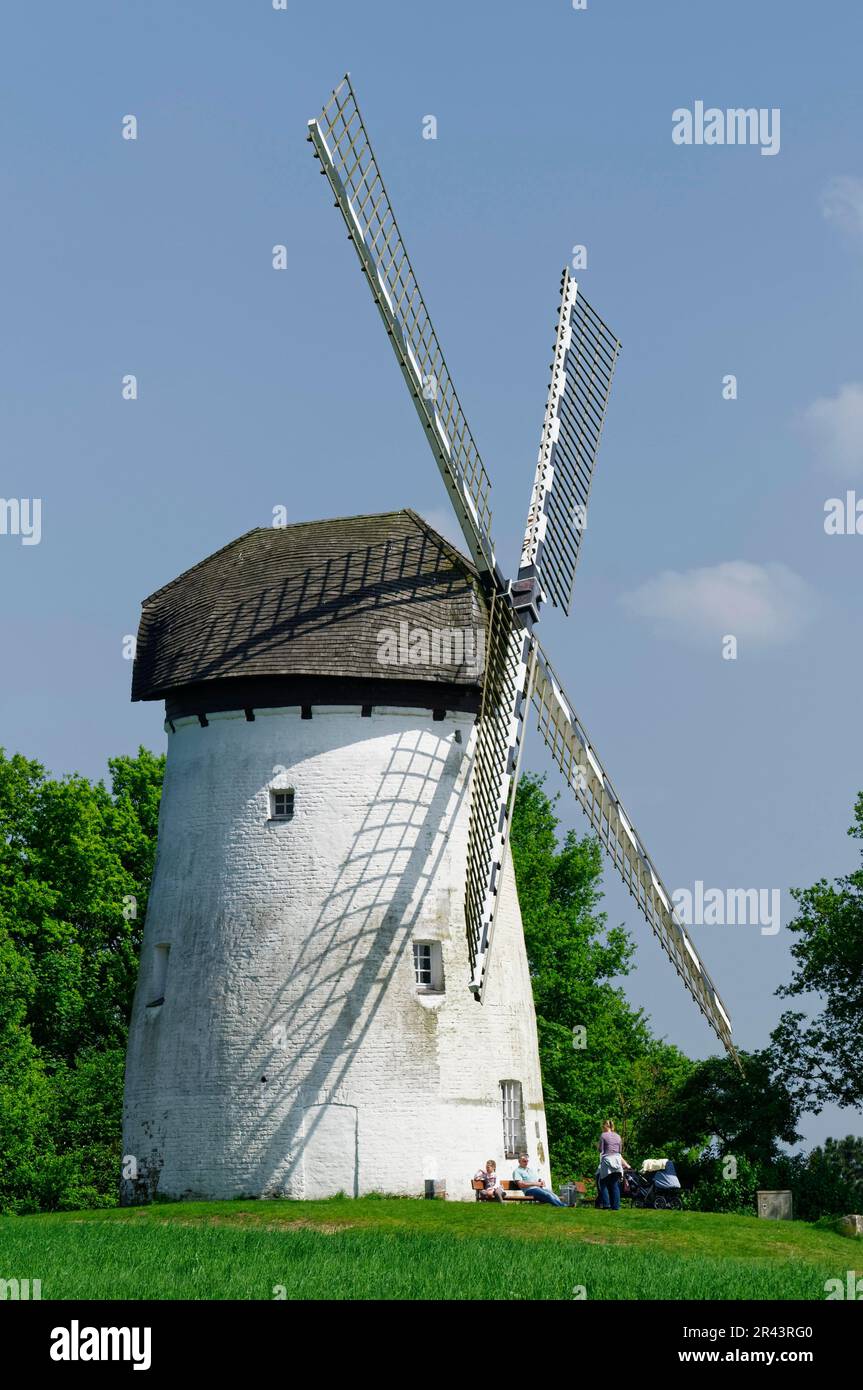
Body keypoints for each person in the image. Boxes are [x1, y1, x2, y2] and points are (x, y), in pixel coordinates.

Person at [597, 1120, 630, 1211]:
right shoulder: (618, 1136)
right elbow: (619, 1151)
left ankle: (606, 1204)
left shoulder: (603, 1135)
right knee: (614, 1184)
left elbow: (601, 1150)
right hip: (617, 1161)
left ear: (605, 1126)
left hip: (607, 1161)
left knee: (602, 1183)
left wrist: (598, 1146)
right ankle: (616, 1206)